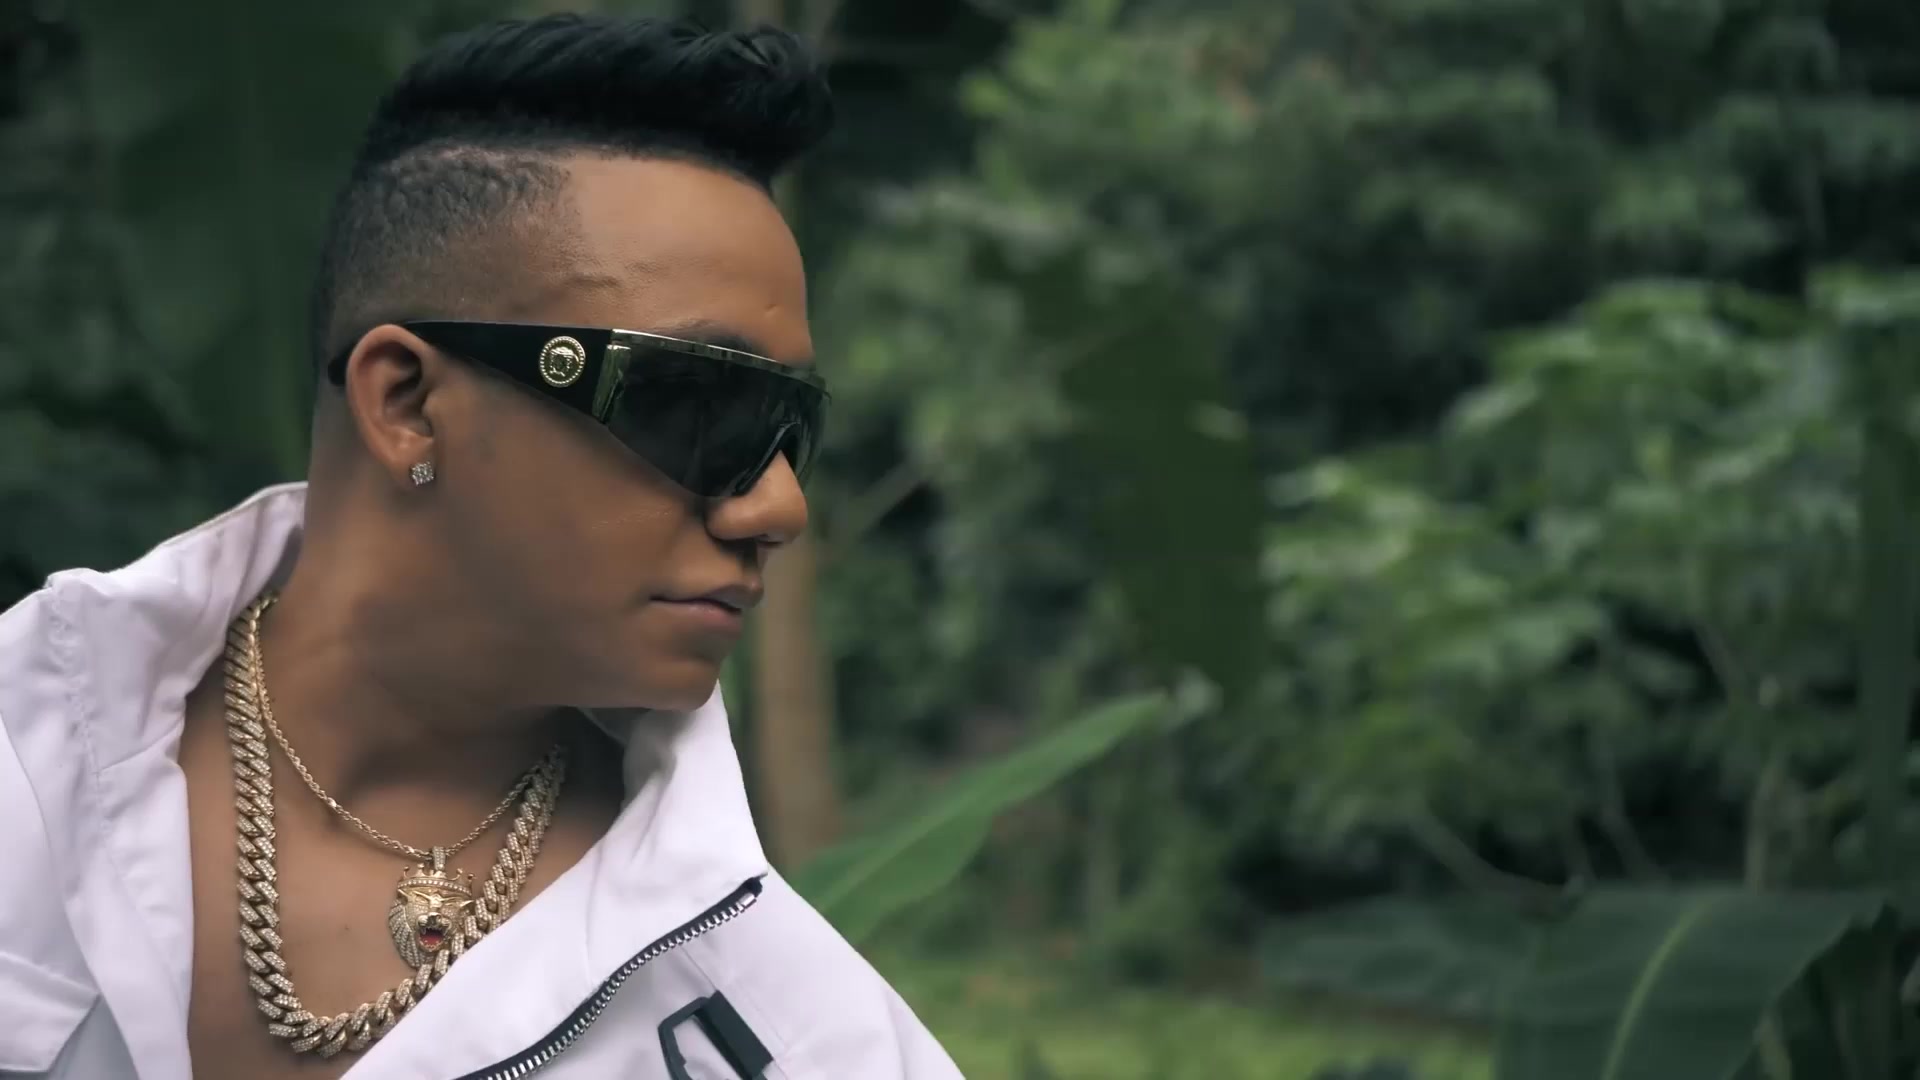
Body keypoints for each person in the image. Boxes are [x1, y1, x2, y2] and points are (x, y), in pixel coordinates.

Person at [0, 14, 962, 1080]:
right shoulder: (29, 773)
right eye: (699, 407)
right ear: (407, 402)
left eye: (792, 431)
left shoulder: (796, 1035)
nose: (777, 505)